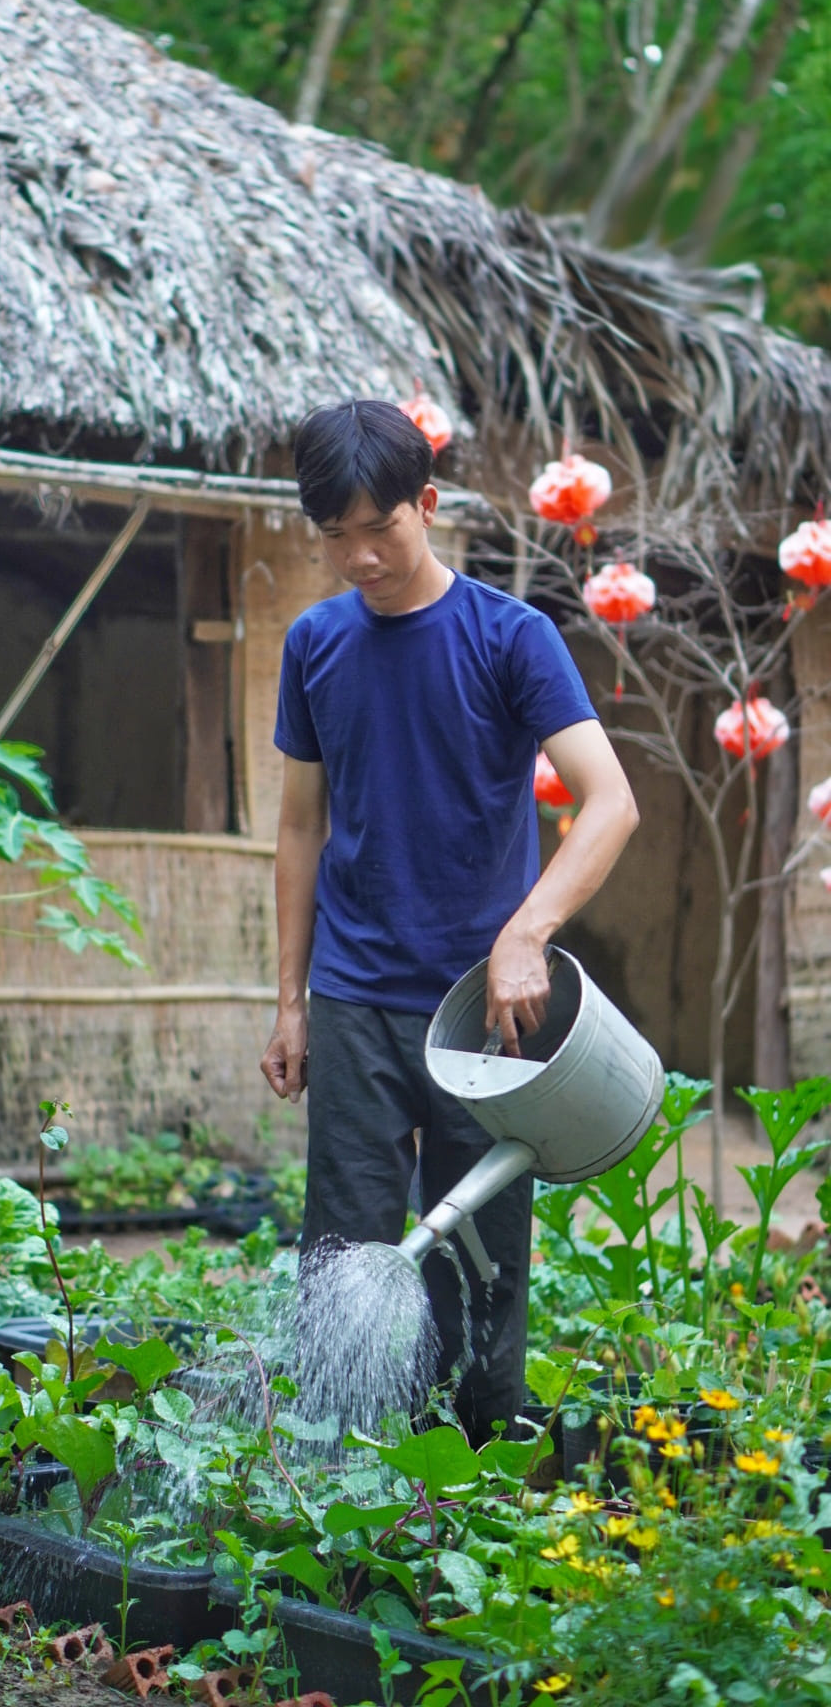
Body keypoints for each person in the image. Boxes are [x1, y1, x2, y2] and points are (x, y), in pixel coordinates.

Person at [259, 397, 639, 1444]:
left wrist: (528, 932)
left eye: (380, 529)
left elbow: (610, 802)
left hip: (484, 1012)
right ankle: (334, 1465)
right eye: (336, 537)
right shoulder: (314, 645)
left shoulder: (511, 639)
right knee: (339, 1248)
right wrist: (289, 1004)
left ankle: (473, 1481)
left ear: (427, 505)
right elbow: (299, 833)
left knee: (482, 1256)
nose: (360, 557)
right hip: (352, 998)